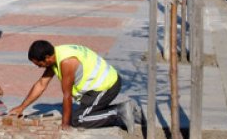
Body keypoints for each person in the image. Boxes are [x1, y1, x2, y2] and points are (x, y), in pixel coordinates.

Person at [8, 40, 136, 132]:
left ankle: (118, 112)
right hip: (98, 87)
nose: (38, 67)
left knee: (79, 119)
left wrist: (65, 124)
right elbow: (41, 84)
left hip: (107, 86)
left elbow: (67, 95)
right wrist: (21, 107)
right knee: (85, 110)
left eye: (39, 64)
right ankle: (130, 111)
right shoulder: (56, 54)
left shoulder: (67, 62)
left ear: (47, 58)